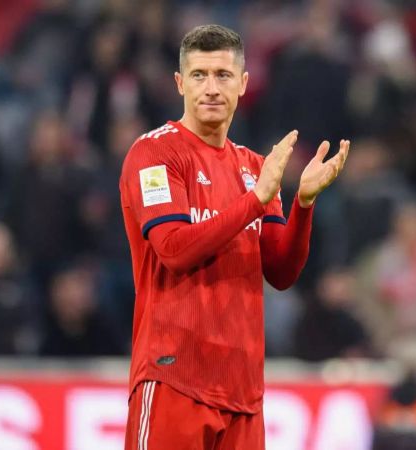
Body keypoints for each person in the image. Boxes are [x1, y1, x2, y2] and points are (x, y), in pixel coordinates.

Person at [119, 25, 349, 450]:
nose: (211, 87)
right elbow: (173, 248)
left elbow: (280, 271)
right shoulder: (154, 154)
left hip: (243, 392)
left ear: (243, 83)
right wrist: (255, 200)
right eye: (199, 74)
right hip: (174, 376)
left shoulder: (255, 167)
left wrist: (303, 203)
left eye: (223, 75)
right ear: (179, 83)